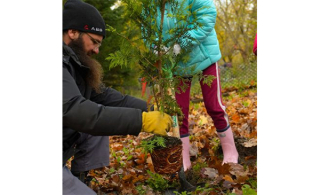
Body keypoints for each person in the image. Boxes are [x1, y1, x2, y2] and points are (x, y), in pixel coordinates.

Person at [63, 0, 173, 194]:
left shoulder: (74, 64)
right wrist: (142, 121)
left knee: (100, 124)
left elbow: (108, 97)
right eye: (94, 42)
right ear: (72, 32)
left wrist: (151, 110)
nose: (97, 50)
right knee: (94, 119)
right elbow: (75, 110)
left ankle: (80, 178)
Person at [151, 0, 239, 170]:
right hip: (177, 64)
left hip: (204, 56)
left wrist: (180, 44)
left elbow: (206, 18)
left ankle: (230, 150)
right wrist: (155, 47)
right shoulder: (153, 4)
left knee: (214, 105)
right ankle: (184, 159)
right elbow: (148, 30)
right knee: (179, 112)